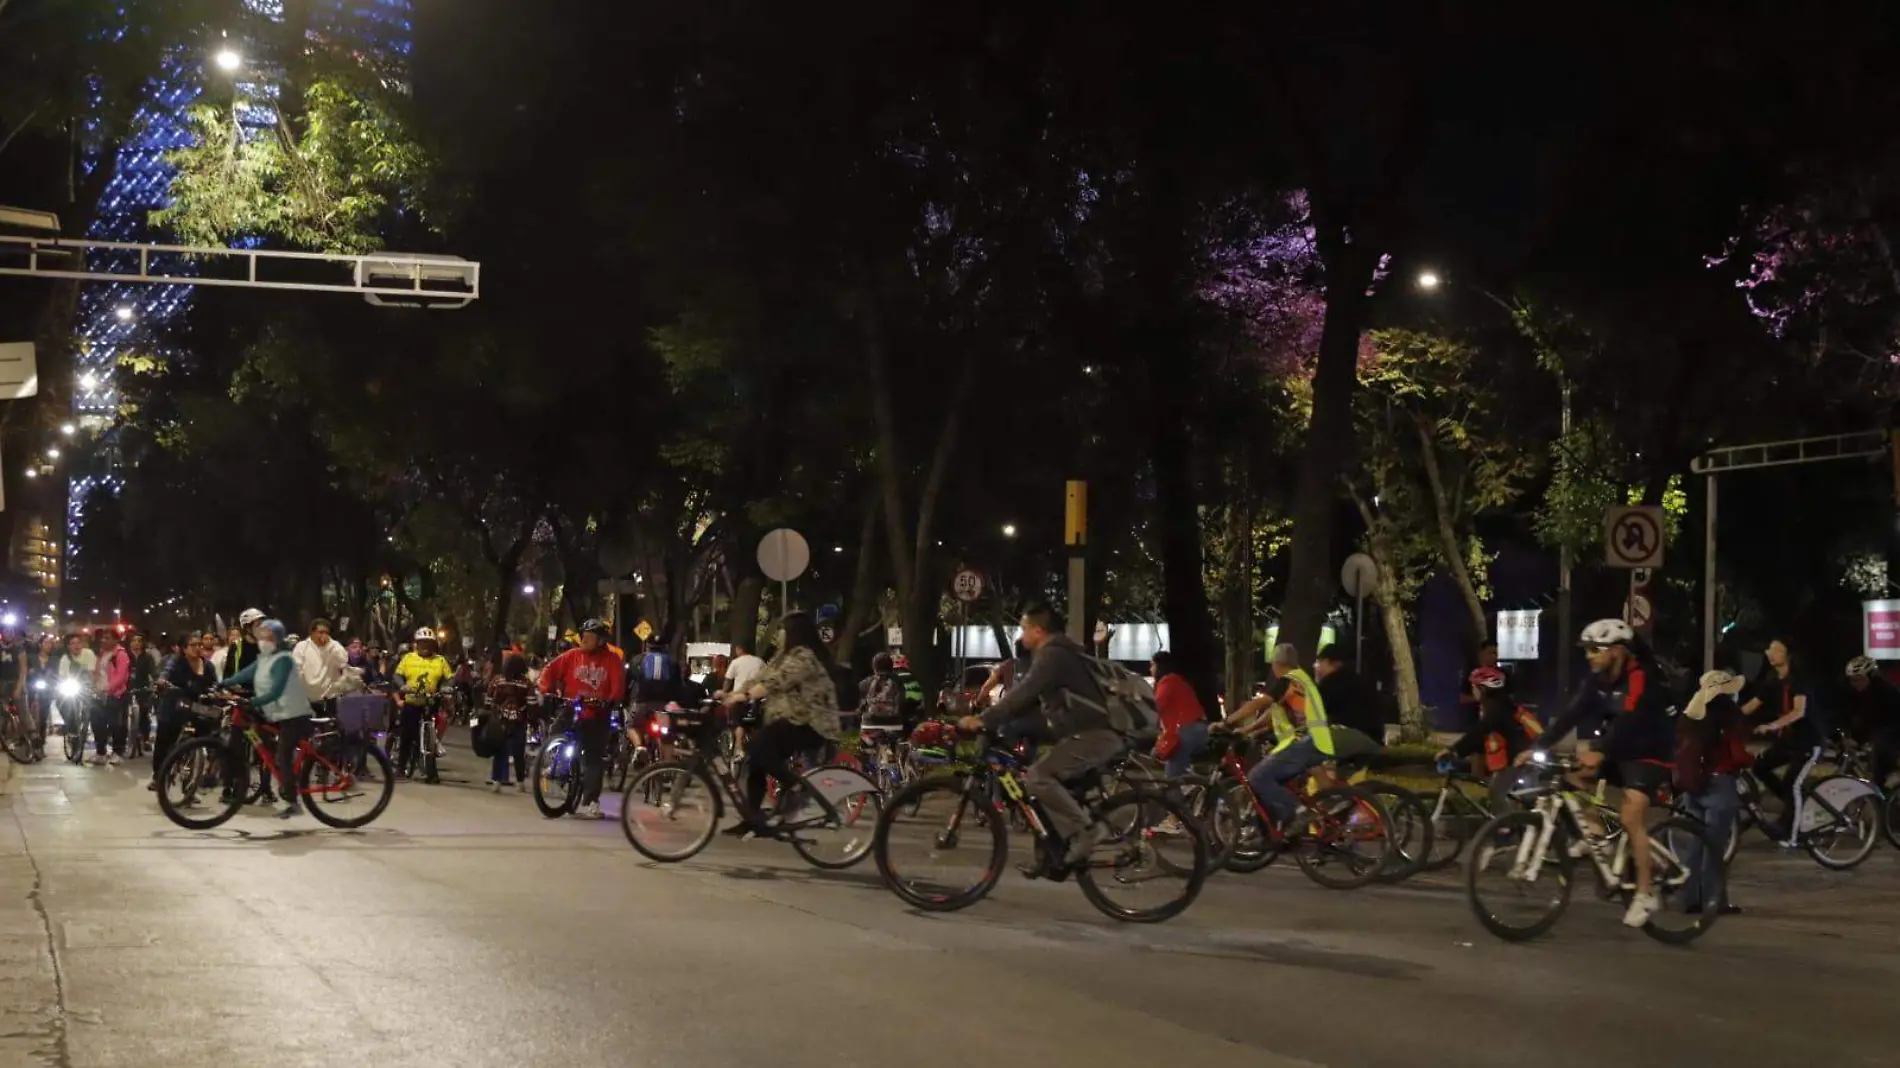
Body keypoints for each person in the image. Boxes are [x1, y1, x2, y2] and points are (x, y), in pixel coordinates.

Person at [1525, 619, 1675, 927]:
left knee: (1631, 816)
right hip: (1621, 748)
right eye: (1587, 650)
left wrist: (1601, 750)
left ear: (1617, 651)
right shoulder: (1598, 680)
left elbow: (1630, 720)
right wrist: (1537, 745)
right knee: (1570, 777)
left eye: (1596, 649)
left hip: (1652, 752)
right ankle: (1599, 834)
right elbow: (1572, 713)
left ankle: (1646, 894)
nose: (1589, 656)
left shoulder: (1640, 677)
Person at [956, 603, 1119, 867]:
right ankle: (1050, 855)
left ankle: (1086, 831)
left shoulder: (1052, 655)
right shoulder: (1062, 653)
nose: (1021, 636)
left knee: (1037, 778)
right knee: (1041, 783)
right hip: (1084, 734)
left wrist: (982, 719)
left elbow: (1023, 693)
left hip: (1092, 735)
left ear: (1038, 630)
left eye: (1024, 629)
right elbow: (1032, 702)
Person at [724, 611, 843, 838]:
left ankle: (799, 788)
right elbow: (760, 677)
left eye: (782, 629)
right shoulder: (783, 656)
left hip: (812, 724)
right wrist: (731, 693)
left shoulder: (804, 657)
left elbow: (776, 682)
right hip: (793, 720)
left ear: (793, 633)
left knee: (760, 750)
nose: (778, 634)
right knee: (756, 760)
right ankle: (752, 819)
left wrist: (746, 695)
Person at [1222, 643, 1338, 836]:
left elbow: (1258, 703)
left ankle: (1298, 813)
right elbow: (1272, 714)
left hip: (1303, 742)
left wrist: (1227, 722)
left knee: (1258, 777)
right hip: (1316, 741)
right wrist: (1249, 729)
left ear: (1276, 664)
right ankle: (1289, 832)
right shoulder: (1301, 679)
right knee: (1282, 783)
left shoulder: (1288, 680)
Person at [217, 619, 316, 819]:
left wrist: (253, 701)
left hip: (293, 715)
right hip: (276, 714)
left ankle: (293, 802)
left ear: (277, 640)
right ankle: (274, 784)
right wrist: (224, 683)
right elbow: (246, 673)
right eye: (261, 636)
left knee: (282, 755)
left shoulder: (284, 660)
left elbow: (276, 691)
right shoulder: (264, 658)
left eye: (268, 637)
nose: (262, 640)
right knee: (267, 746)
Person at [1675, 669, 1750, 916]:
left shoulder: (1691, 712)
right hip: (1719, 783)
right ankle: (1714, 900)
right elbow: (1737, 753)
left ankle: (1688, 899)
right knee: (1715, 847)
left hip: (1693, 784)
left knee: (1695, 844)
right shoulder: (1727, 713)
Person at [536, 618, 627, 818]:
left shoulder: (612, 660)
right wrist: (545, 689)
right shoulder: (572, 655)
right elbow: (549, 671)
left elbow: (618, 686)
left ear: (601, 640)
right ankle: (556, 760)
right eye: (583, 636)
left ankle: (591, 801)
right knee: (555, 731)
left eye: (590, 637)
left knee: (594, 757)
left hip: (596, 714)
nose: (584, 640)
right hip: (571, 707)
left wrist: (610, 701)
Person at [1740, 637, 1821, 843]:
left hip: (1807, 741)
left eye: (1775, 649)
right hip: (1788, 742)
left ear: (1787, 656)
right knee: (1760, 767)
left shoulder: (1799, 680)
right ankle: (1792, 806)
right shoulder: (1772, 681)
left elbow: (1798, 711)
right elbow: (1752, 705)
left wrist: (1772, 726)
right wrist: (1726, 717)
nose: (1769, 653)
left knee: (1792, 783)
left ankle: (1793, 837)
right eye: (1769, 649)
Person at [1440, 666, 1544, 810]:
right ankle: (1517, 825)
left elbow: (1479, 731)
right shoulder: (1499, 706)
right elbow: (1483, 737)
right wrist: (1462, 753)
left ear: (1482, 690)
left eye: (1474, 687)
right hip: (1519, 755)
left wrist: (1454, 750)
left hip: (1520, 758)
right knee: (1518, 799)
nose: (1472, 691)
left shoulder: (1497, 710)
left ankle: (1505, 828)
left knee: (1496, 792)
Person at [148, 633, 220, 790]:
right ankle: (158, 775)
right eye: (193, 645)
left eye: (199, 644)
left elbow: (215, 684)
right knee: (165, 740)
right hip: (175, 706)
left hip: (198, 707)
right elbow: (165, 673)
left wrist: (217, 692)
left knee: (210, 736)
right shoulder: (175, 662)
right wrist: (162, 682)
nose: (197, 648)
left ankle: (198, 778)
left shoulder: (208, 666)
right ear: (184, 648)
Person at [393, 628, 453, 781]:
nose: (425, 646)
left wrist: (447, 687)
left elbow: (449, 677)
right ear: (416, 644)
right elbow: (397, 675)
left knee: (432, 736)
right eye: (422, 643)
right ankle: (401, 768)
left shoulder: (440, 660)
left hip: (431, 701)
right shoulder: (408, 658)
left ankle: (431, 771)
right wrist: (402, 686)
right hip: (412, 701)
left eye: (428, 643)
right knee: (407, 734)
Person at [1843, 655, 1900, 787]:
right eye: (1852, 680)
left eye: (1859, 680)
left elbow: (1872, 718)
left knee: (1880, 748)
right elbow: (1852, 715)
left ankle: (1884, 789)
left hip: (1893, 729)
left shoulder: (1883, 692)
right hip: (1882, 729)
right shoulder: (1859, 693)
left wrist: (1857, 739)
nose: (1855, 684)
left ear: (1871, 677)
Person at [1149, 651, 1208, 780]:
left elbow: (1155, 706)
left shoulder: (1168, 681)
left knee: (1172, 777)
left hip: (1188, 731)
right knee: (1158, 757)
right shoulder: (1176, 680)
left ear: (1160, 666)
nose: (1150, 669)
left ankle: (1180, 797)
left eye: (1152, 665)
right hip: (1195, 729)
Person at [1313, 644, 1386, 742]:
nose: (1316, 666)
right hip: (1373, 740)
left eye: (1320, 661)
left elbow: (1317, 717)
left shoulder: (1330, 684)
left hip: (1347, 740)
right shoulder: (1363, 681)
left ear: (1335, 663)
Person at [485, 653, 536, 792]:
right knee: (518, 753)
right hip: (519, 722)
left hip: (500, 721)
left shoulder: (497, 680)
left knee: (500, 752)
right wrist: (532, 721)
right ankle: (520, 783)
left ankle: (496, 781)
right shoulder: (526, 683)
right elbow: (532, 703)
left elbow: (488, 701)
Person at [292, 618, 350, 716]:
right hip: (308, 698)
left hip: (330, 698)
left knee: (332, 728)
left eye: (327, 633)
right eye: (321, 632)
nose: (324, 635)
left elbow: (343, 661)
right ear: (312, 633)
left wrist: (330, 646)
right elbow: (296, 669)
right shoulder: (301, 647)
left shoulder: (334, 645)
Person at [92, 629, 131, 766]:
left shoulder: (121, 655)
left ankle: (117, 752)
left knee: (116, 725)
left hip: (115, 695)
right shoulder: (102, 654)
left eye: (107, 638)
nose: (103, 640)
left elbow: (121, 676)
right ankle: (100, 752)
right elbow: (97, 672)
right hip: (99, 694)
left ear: (116, 640)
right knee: (97, 723)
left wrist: (108, 690)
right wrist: (94, 686)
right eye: (103, 638)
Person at [128, 633, 162, 753]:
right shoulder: (125, 655)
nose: (136, 643)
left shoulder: (147, 657)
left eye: (139, 640)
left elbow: (154, 672)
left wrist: (157, 682)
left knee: (144, 712)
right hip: (126, 687)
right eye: (134, 640)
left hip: (143, 688)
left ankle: (146, 739)